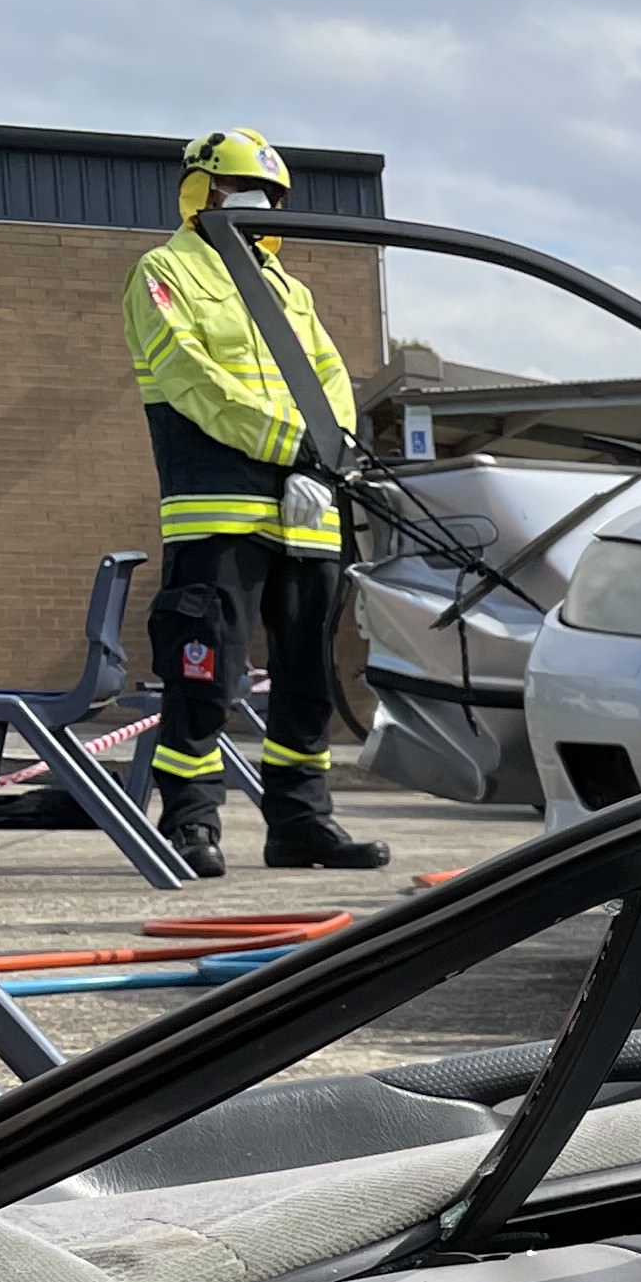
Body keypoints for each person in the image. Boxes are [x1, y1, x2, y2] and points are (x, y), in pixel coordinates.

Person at [124, 129, 392, 878]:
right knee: (205, 671)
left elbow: (332, 373)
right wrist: (290, 444)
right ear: (201, 191)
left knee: (309, 675)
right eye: (242, 189)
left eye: (269, 196)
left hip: (306, 506)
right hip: (219, 506)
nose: (258, 205)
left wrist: (330, 449)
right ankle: (190, 823)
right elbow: (190, 377)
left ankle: (301, 823)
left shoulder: (287, 287)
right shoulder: (164, 270)